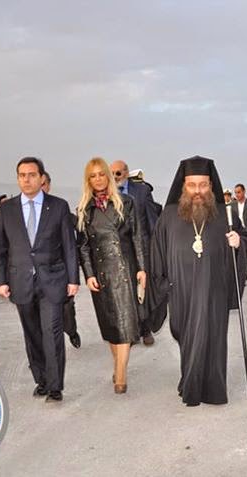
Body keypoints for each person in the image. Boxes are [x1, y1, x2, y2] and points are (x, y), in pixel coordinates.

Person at [149, 156, 247, 406]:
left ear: (211, 186)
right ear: (183, 186)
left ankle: (211, 389)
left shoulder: (225, 214)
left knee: (213, 339)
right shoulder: (169, 215)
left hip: (214, 288)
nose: (197, 191)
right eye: (192, 185)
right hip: (181, 290)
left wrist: (238, 244)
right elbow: (157, 252)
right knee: (188, 337)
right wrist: (163, 285)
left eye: (203, 185)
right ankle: (189, 379)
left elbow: (242, 242)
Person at [0, 157, 79, 403]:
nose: (27, 179)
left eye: (32, 174)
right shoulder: (7, 210)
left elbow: (69, 246)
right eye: (22, 175)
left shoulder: (58, 206)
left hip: (52, 280)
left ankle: (55, 386)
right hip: (20, 281)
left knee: (52, 333)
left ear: (42, 178)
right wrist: (0, 280)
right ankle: (41, 380)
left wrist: (73, 279)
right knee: (32, 334)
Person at [76, 158, 146, 393]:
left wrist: (142, 268)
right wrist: (88, 274)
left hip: (125, 268)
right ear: (88, 180)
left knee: (125, 322)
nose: (98, 179)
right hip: (101, 273)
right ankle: (118, 364)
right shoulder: (85, 210)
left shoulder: (126, 202)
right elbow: (83, 246)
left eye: (101, 174)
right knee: (110, 325)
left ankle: (121, 375)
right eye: (92, 176)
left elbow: (137, 236)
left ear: (108, 176)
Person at [111, 159, 159, 346]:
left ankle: (145, 329)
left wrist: (155, 248)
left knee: (142, 290)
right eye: (111, 173)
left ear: (126, 172)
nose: (115, 177)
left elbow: (152, 221)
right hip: (120, 251)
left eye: (118, 173)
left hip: (141, 249)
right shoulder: (107, 192)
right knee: (125, 292)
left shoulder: (142, 191)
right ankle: (131, 332)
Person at [41, 172, 81, 349]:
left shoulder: (59, 208)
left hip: (59, 270)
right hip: (35, 273)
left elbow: (79, 227)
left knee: (66, 309)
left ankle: (71, 331)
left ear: (48, 186)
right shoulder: (22, 211)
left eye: (43, 184)